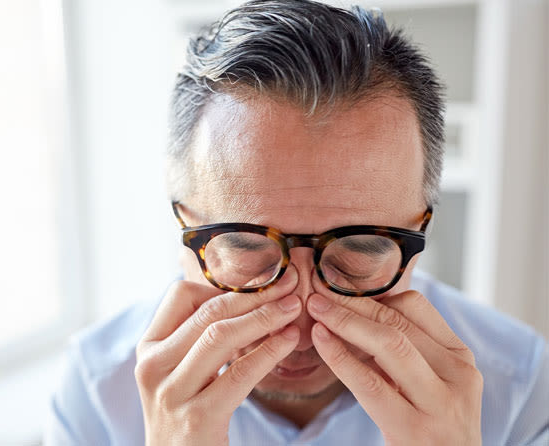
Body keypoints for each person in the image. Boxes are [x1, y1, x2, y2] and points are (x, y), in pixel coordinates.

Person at [45, 1, 548, 444]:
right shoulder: (95, 392)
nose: (301, 317)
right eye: (245, 247)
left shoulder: (523, 386)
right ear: (182, 225)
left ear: (420, 229)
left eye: (360, 253)